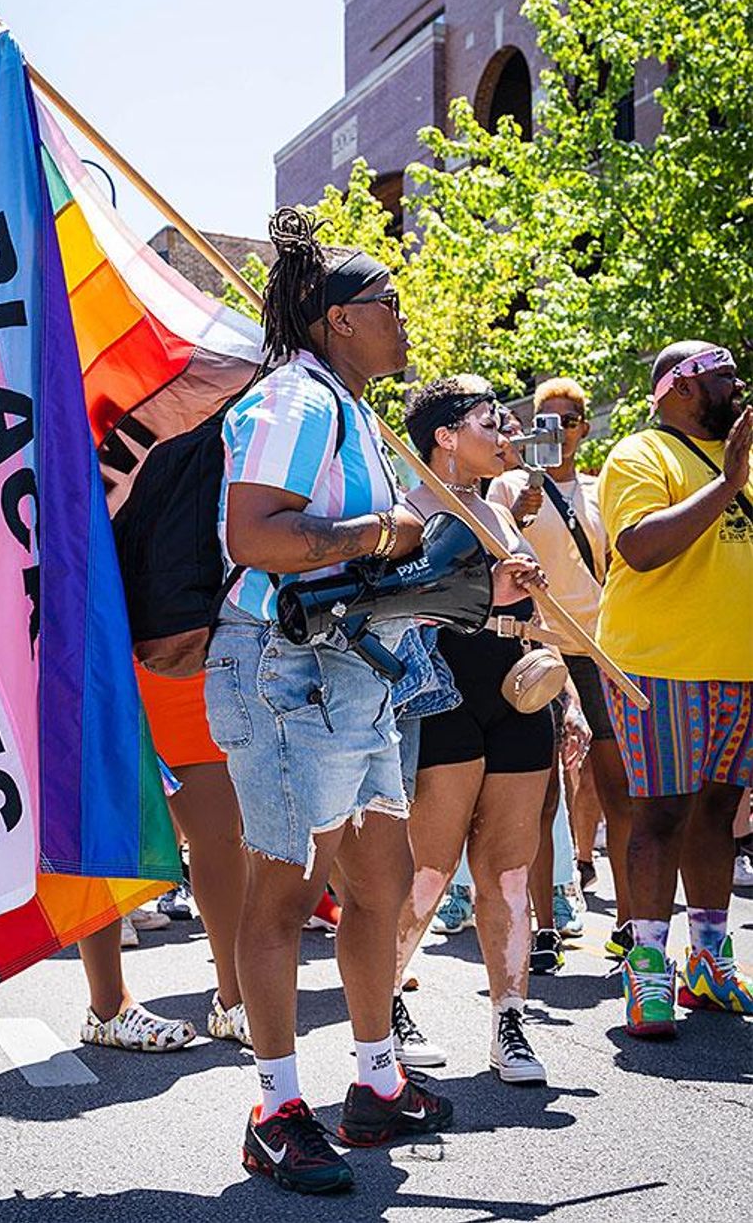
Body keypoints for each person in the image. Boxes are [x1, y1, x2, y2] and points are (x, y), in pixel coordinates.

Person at [206, 207, 451, 1196]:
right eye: (387, 303)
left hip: (351, 671)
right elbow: (254, 536)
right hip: (278, 666)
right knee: (282, 885)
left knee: (377, 876)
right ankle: (271, 1109)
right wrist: (381, 531)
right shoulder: (292, 403)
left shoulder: (345, 407)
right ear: (337, 318)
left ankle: (374, 1082)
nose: (403, 317)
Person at [394, 376, 555, 1085]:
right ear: (446, 435)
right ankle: (388, 999)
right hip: (443, 684)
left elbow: (535, 613)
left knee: (510, 870)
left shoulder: (498, 507)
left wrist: (570, 701)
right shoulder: (406, 510)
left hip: (518, 681)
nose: (507, 435)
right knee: (427, 868)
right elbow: (400, 603)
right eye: (493, 421)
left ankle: (510, 1019)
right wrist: (492, 586)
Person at [596, 341, 753, 1038]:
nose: (737, 383)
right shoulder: (639, 455)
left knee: (719, 812)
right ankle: (648, 969)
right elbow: (638, 546)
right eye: (723, 375)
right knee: (661, 814)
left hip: (737, 664)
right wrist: (727, 482)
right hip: (657, 665)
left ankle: (709, 959)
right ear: (681, 387)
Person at [489, 377, 633, 961]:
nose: (559, 432)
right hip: (536, 645)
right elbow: (497, 556)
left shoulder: (602, 492)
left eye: (569, 421)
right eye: (545, 422)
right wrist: (523, 508)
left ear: (585, 427)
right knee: (541, 792)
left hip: (599, 650)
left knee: (616, 783)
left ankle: (630, 923)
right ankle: (544, 926)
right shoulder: (508, 488)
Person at [134, 664, 249, 1042]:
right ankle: (106, 1007)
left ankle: (234, 1001)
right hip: (123, 640)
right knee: (102, 818)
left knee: (222, 835)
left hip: (205, 647)